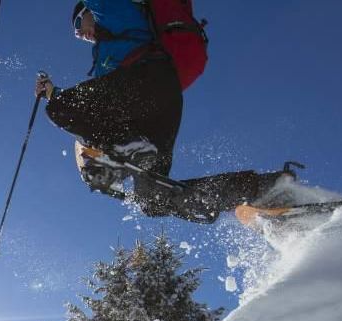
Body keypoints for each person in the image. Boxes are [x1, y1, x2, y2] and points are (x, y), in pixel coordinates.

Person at [36, 1, 286, 223]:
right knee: (152, 199)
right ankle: (262, 190)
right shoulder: (106, 54)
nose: (80, 33)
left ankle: (128, 147)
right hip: (161, 102)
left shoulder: (112, 9)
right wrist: (52, 91)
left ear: (89, 9)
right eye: (77, 35)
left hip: (150, 78)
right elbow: (97, 103)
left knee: (61, 108)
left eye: (78, 23)